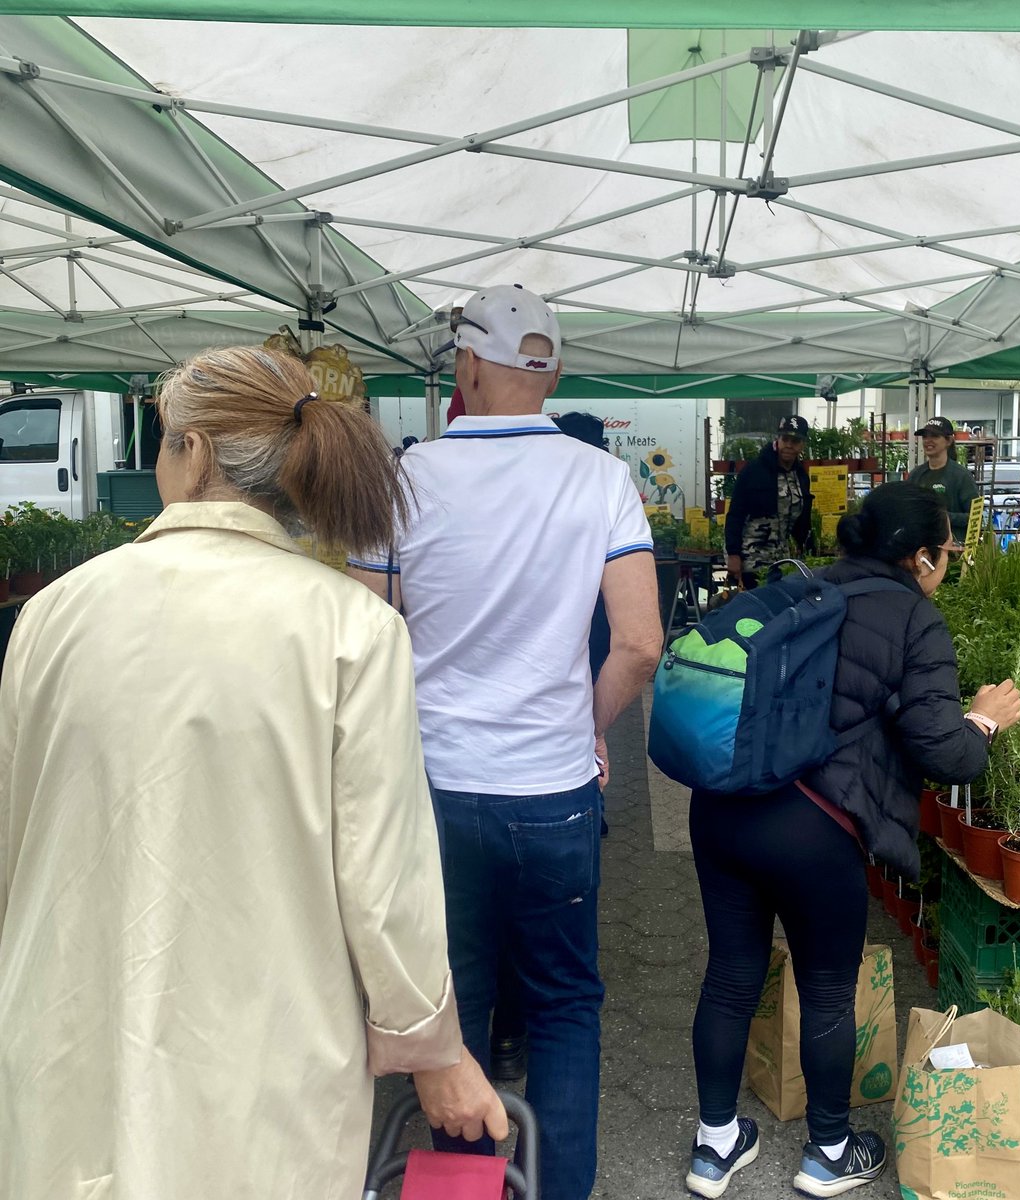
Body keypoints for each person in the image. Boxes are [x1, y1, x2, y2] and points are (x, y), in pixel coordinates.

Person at [0, 347, 506, 1200]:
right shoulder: (351, 630)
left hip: (62, 1036)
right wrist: (433, 1051)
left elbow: (18, 836)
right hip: (266, 1059)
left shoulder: (49, 614)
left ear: (192, 452)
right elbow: (386, 885)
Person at [348, 284, 662, 1200]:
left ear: (468, 368)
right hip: (555, 788)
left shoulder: (405, 479)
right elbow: (639, 644)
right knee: (566, 1006)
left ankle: (463, 1185)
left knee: (455, 1008)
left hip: (436, 789)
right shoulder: (601, 478)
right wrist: (588, 727)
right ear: (552, 371)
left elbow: (366, 636)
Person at [685, 483, 1020, 1199]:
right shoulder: (914, 618)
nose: (948, 566)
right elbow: (946, 753)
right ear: (922, 556)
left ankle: (714, 1149)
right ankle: (830, 1153)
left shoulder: (804, 586)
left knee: (731, 975)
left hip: (721, 808)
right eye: (948, 554)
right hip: (814, 827)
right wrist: (985, 720)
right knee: (829, 990)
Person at [724, 414, 813, 589]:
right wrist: (733, 554)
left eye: (795, 441)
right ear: (777, 440)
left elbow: (804, 518)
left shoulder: (801, 475)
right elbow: (735, 514)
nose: (788, 445)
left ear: (802, 445)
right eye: (785, 439)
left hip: (783, 559)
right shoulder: (754, 470)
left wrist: (808, 549)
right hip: (752, 558)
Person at [908, 415, 979, 542]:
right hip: (921, 550)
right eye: (925, 436)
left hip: (954, 551)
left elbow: (976, 518)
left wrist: (943, 517)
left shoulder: (961, 476)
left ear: (949, 441)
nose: (928, 440)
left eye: (934, 436)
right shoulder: (916, 475)